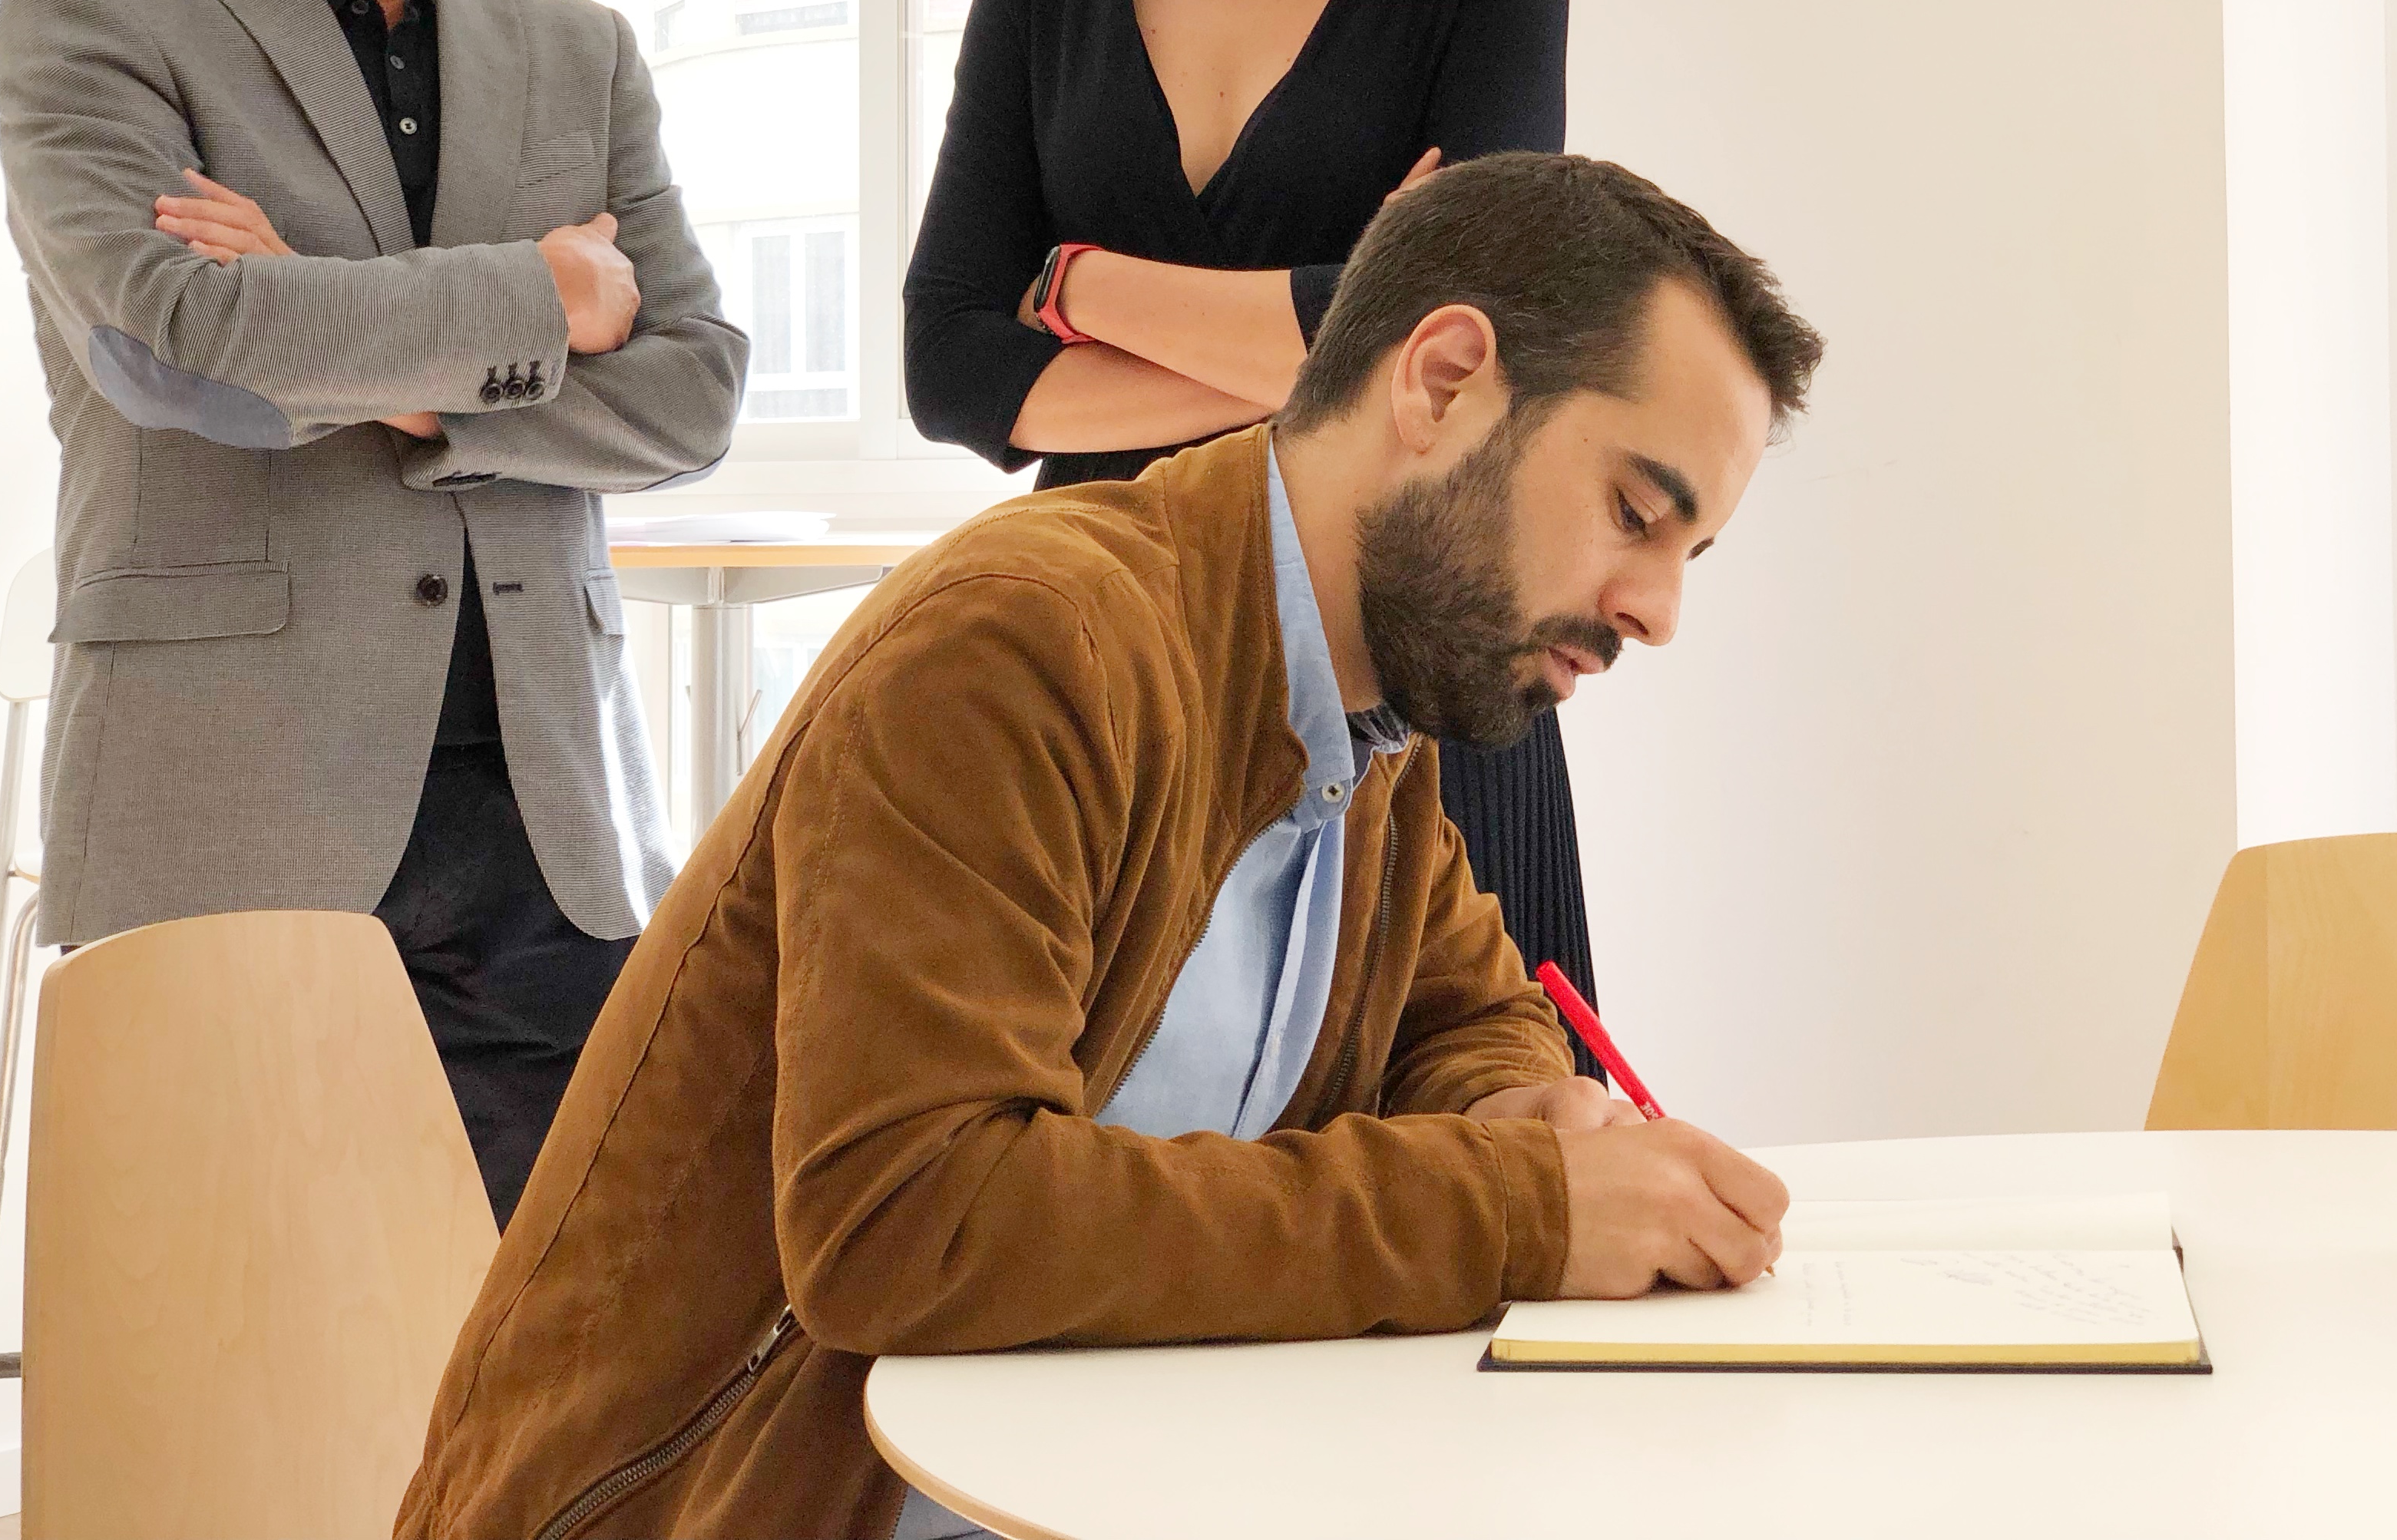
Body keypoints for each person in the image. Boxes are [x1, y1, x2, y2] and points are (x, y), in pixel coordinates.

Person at [398, 153, 1825, 1540]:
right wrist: (1515, 1208)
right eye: (1636, 514)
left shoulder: (1368, 718)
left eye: (1683, 558)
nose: (1653, 610)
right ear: (1441, 382)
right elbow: (909, 1216)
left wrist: (1529, 1112)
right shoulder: (1026, 644)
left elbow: (1467, 1012)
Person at [0, 0, 746, 1225]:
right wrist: (551, 296)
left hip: (551, 812)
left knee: (564, 1352)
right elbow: (179, 337)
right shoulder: (89, 16)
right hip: (232, 797)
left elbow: (692, 392)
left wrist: (397, 381)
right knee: (253, 1371)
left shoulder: (581, 48)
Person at [900, 0, 1606, 1060]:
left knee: (1473, 1148)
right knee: (1115, 1167)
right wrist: (1324, 327)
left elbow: (1466, 345)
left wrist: (1078, 290)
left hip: (1408, 633)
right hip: (1113, 636)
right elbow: (948, 368)